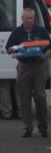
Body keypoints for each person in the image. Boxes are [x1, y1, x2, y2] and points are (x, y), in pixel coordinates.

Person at [5, 8, 51, 138]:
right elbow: (8, 48)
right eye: (27, 18)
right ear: (22, 18)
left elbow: (49, 48)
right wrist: (16, 48)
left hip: (39, 66)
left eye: (31, 18)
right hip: (24, 66)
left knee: (40, 96)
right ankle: (27, 127)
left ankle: (43, 127)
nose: (29, 20)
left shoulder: (41, 31)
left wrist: (44, 56)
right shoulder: (17, 32)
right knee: (24, 98)